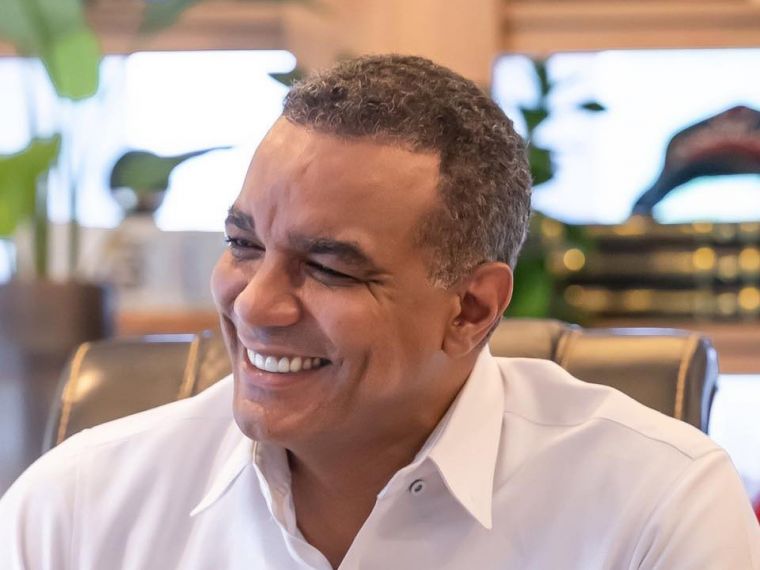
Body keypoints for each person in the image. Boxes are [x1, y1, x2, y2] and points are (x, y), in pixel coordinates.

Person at [1, 54, 758, 569]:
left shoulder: (654, 505)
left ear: (471, 309)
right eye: (243, 244)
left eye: (328, 268)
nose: (256, 303)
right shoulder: (77, 507)